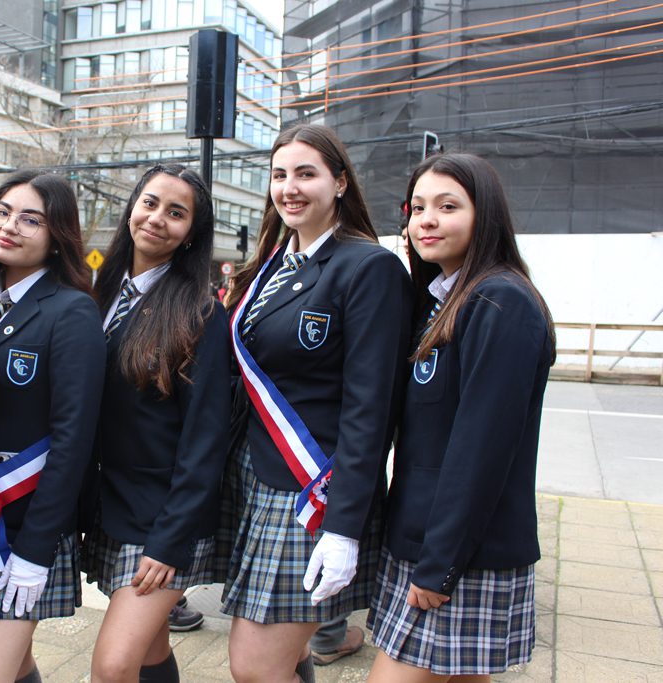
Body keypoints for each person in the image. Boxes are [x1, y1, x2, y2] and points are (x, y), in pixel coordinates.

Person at [219, 123, 412, 683]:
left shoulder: (369, 267)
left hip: (312, 490)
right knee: (282, 659)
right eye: (279, 174)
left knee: (254, 668)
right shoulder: (274, 265)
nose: (290, 188)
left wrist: (345, 526)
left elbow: (371, 408)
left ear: (340, 183)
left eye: (307, 174)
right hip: (253, 475)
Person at [366, 153, 555, 683]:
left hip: (461, 551)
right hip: (428, 538)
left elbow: (481, 450)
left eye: (447, 207)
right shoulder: (442, 298)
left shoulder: (500, 302)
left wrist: (440, 565)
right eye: (417, 207)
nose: (426, 220)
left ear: (484, 214)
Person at [0, 171, 105, 683]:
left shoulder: (71, 311)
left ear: (57, 235)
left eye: (30, 219)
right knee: (14, 667)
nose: (9, 226)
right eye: (1, 211)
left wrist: (36, 550)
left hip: (21, 529)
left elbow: (74, 439)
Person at [84, 164, 230, 683]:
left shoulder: (201, 313)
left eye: (176, 212)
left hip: (163, 516)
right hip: (109, 504)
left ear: (191, 232)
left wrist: (170, 540)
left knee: (113, 665)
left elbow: (206, 438)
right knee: (149, 650)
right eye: (149, 203)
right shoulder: (99, 292)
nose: (156, 219)